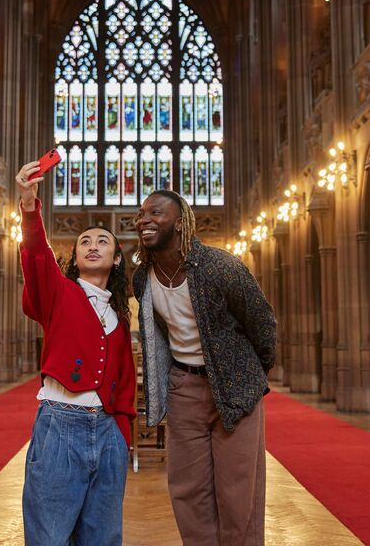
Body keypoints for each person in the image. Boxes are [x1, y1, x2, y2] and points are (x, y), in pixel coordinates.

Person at [132, 189, 276, 546]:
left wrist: (247, 377)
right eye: (140, 214)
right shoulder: (141, 277)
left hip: (234, 388)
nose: (144, 219)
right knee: (187, 490)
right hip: (185, 386)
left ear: (180, 223)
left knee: (238, 492)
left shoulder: (220, 266)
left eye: (155, 213)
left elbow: (263, 325)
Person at [16, 160, 136, 546]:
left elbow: (126, 382)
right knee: (49, 537)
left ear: (117, 258)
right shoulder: (59, 293)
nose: (92, 245)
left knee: (103, 537)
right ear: (74, 258)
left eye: (102, 241)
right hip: (59, 425)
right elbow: (37, 255)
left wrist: (120, 434)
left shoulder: (119, 313)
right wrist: (29, 205)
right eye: (84, 241)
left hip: (108, 432)